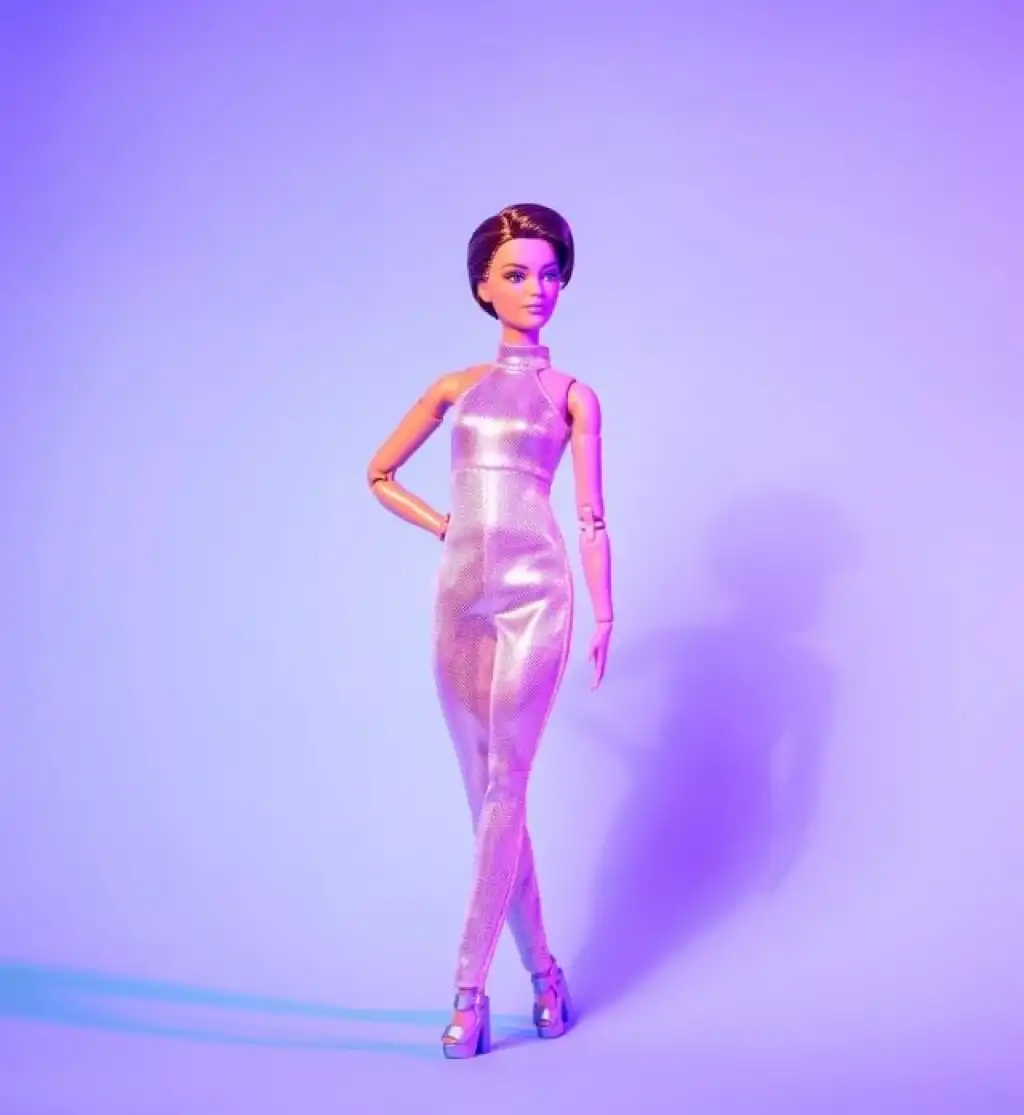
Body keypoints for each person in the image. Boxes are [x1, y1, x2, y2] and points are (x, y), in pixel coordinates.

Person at [367, 203, 614, 1059]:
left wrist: (605, 610)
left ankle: (467, 993)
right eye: (516, 274)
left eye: (549, 274)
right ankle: (545, 974)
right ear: (483, 286)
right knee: (488, 801)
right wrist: (449, 528)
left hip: (537, 592)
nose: (536, 289)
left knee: (507, 786)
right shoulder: (454, 387)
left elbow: (590, 517)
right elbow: (379, 472)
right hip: (460, 597)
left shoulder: (572, 396)